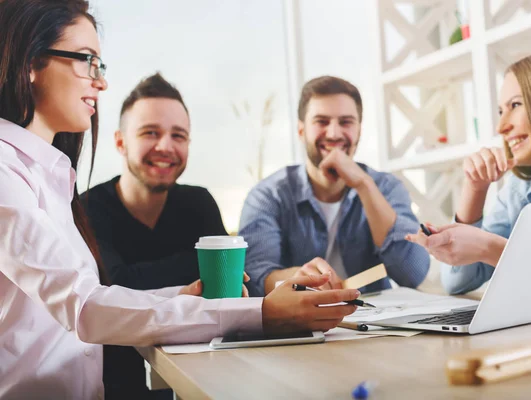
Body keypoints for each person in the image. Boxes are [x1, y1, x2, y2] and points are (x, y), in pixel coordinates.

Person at [0, 1, 360, 398]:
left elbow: (86, 296)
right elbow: (85, 304)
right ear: (31, 62)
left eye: (100, 66)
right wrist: (260, 313)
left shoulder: (47, 175)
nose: (100, 82)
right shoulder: (6, 174)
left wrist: (180, 295)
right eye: (87, 61)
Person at [83, 73, 239, 399]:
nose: (166, 146)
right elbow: (111, 290)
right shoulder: (88, 209)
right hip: (113, 386)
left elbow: (230, 286)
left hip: (207, 373)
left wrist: (134, 281)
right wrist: (195, 271)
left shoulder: (199, 202)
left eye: (178, 135)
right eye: (150, 132)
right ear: (120, 142)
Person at [405, 50, 531, 303]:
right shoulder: (520, 189)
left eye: (515, 105)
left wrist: (492, 249)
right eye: (500, 111)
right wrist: (474, 189)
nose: (502, 127)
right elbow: (458, 282)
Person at [239, 76, 430, 296]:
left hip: (375, 322)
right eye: (321, 121)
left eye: (346, 122)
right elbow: (255, 279)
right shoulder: (268, 196)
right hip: (300, 325)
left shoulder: (386, 188)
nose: (334, 134)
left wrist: (364, 185)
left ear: (359, 130)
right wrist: (300, 278)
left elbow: (413, 273)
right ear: (301, 131)